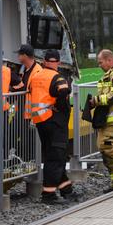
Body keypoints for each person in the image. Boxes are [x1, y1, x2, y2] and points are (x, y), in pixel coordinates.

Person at [28, 49, 74, 203]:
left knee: (52, 155)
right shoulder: (58, 77)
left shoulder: (35, 77)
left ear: (44, 62)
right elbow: (63, 91)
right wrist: (60, 108)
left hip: (40, 121)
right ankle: (48, 195)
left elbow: (30, 93)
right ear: (58, 63)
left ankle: (66, 190)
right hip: (55, 122)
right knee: (56, 157)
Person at [90, 49, 113, 191]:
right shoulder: (109, 74)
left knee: (109, 146)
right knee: (103, 147)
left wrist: (96, 101)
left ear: (109, 60)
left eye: (101, 62)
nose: (99, 65)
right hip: (106, 120)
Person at [16, 44, 43, 120]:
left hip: (31, 116)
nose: (18, 56)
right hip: (22, 112)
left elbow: (37, 95)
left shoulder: (38, 71)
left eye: (19, 54)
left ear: (25, 55)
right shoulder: (24, 69)